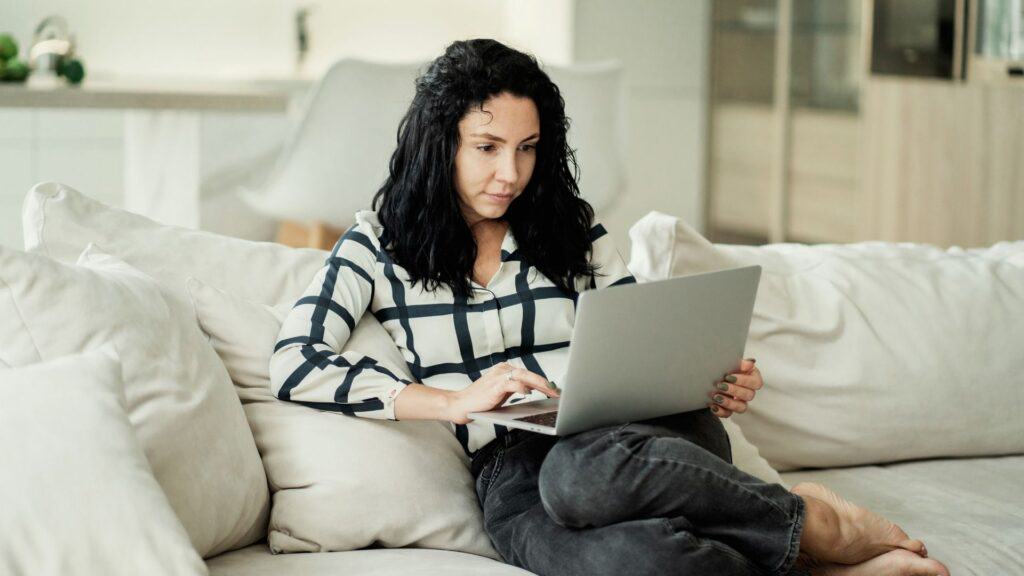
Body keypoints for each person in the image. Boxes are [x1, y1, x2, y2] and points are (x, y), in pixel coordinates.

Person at [268, 39, 949, 576]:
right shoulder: (377, 243)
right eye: (487, 148)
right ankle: (806, 557)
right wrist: (454, 402)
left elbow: (639, 340)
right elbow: (296, 364)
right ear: (436, 142)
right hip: (508, 474)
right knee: (641, 561)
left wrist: (712, 377)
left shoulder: (568, 230)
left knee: (580, 474)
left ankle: (821, 528)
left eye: (528, 149)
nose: (510, 174)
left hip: (635, 434)